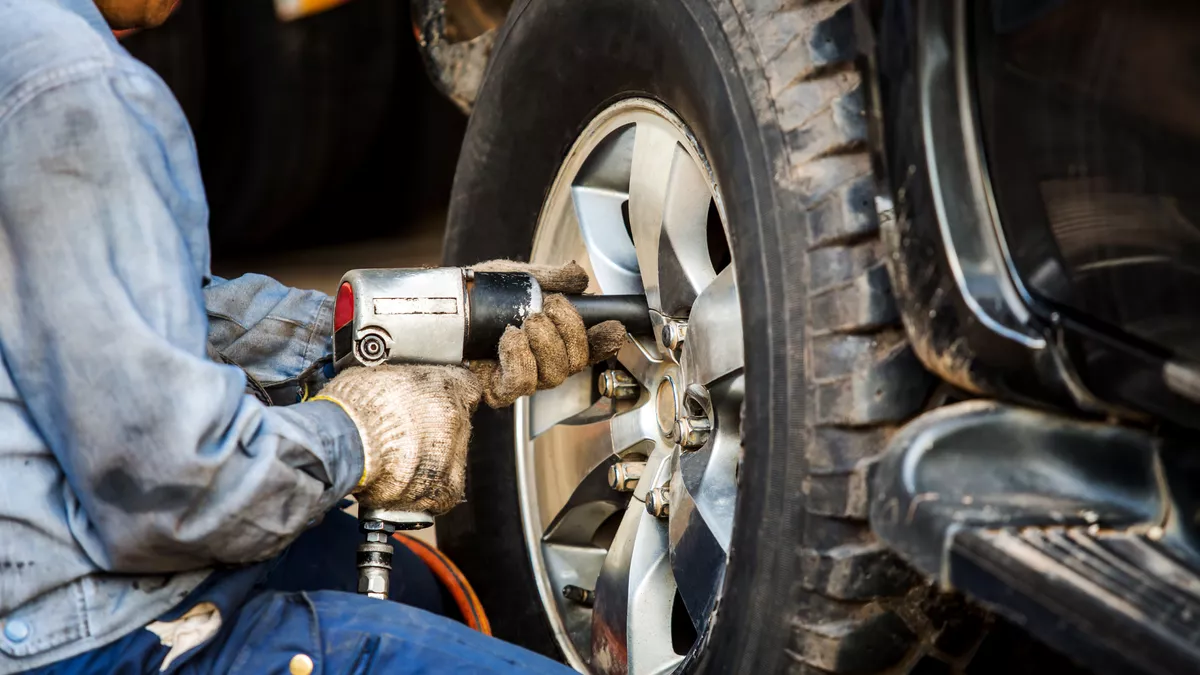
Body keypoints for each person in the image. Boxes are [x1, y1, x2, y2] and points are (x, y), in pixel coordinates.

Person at [0, 1, 626, 673]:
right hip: (90, 639)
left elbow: (111, 312)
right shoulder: (72, 88)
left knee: (423, 591)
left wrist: (403, 327)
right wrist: (364, 433)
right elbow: (170, 492)